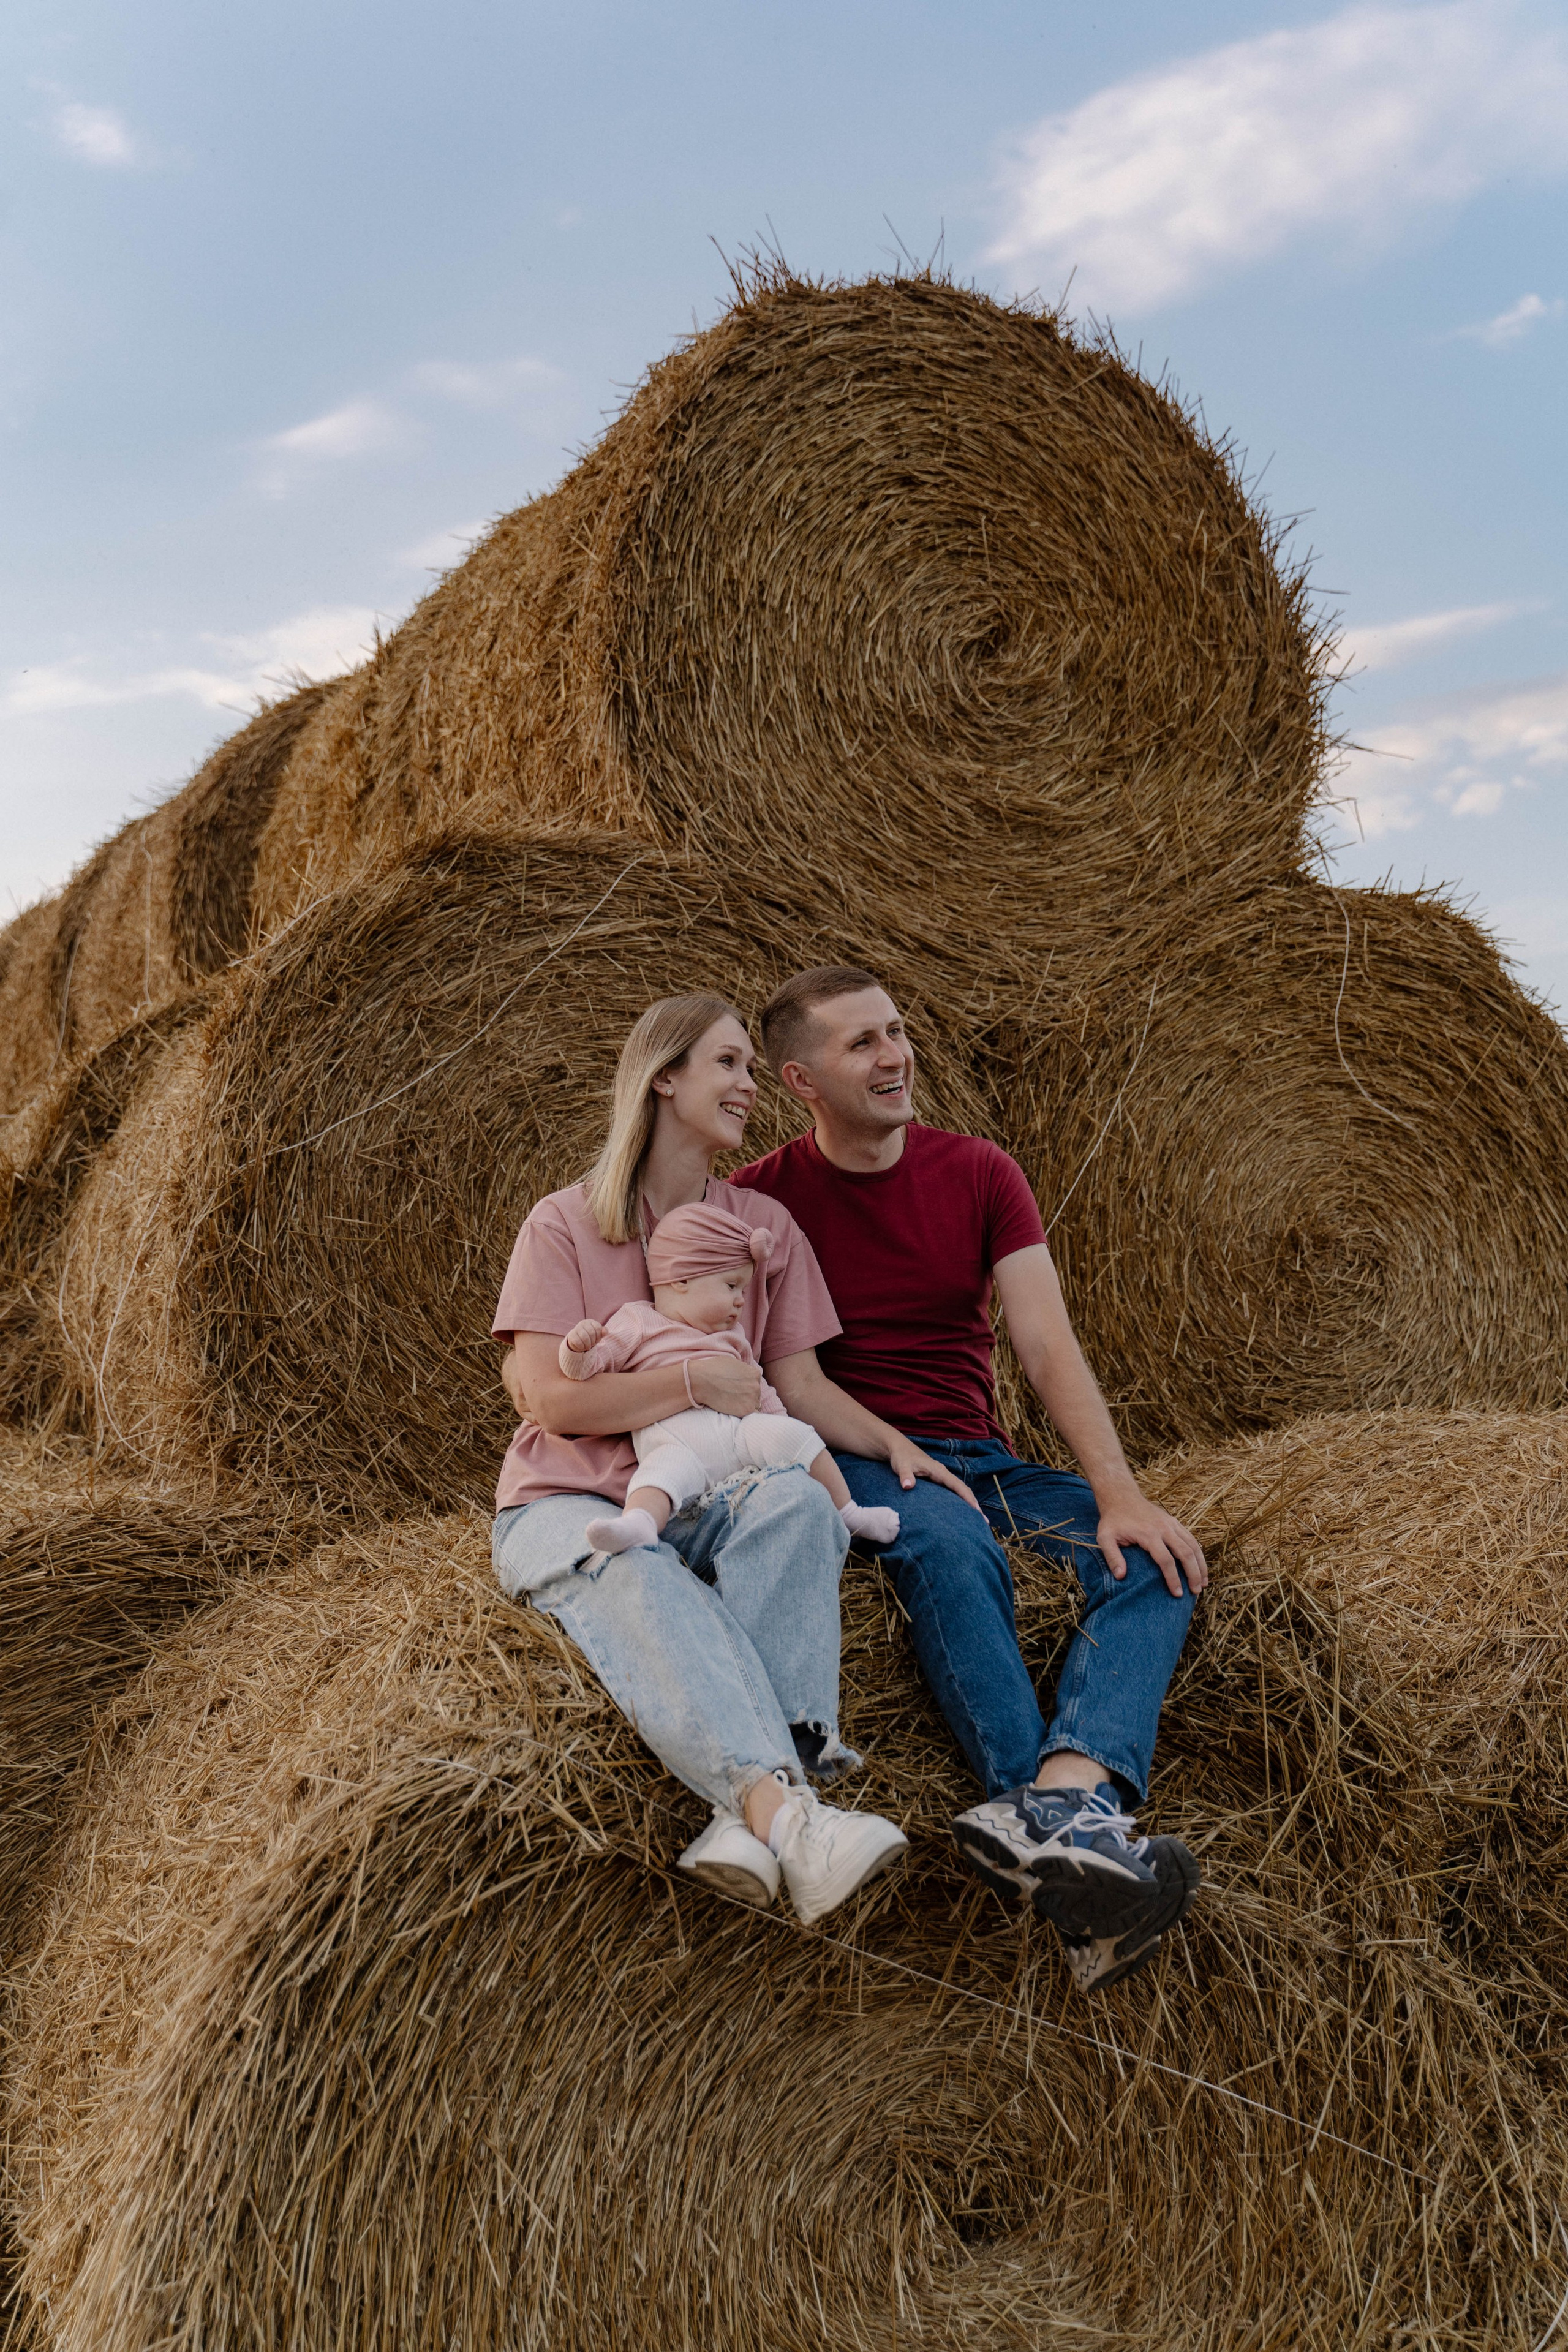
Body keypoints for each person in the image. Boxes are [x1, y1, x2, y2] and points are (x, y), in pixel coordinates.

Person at [731, 967, 1208, 1992]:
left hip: (981, 1460)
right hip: (854, 1461)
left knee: (1160, 1561)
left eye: (897, 1031)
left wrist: (1118, 1491)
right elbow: (777, 1380)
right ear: (801, 1079)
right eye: (863, 1043)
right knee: (949, 1548)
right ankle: (1040, 1828)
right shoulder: (760, 1201)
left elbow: (1045, 1345)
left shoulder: (982, 1172)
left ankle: (1069, 1801)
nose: (895, 1054)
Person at [491, 991, 971, 1926]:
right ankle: (792, 1816)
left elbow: (800, 1384)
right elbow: (547, 1398)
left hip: (719, 1491)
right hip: (573, 1498)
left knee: (794, 1500)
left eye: (755, 1067)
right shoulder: (564, 1224)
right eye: (728, 1064)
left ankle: (751, 1827)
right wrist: (690, 1387)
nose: (751, 1085)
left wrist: (898, 1446)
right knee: (638, 1563)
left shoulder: (765, 1229)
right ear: (663, 1077)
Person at [558, 1198, 901, 1558]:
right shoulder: (638, 1321)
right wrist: (578, 1349)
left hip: (740, 1437)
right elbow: (589, 1369)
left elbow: (759, 1389)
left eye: (743, 1290)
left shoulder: (733, 1338)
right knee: (659, 1476)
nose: (741, 1301)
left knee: (800, 1437)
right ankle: (640, 1524)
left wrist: (780, 1428)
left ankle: (847, 1512)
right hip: (676, 1444)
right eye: (731, 1285)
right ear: (682, 1278)